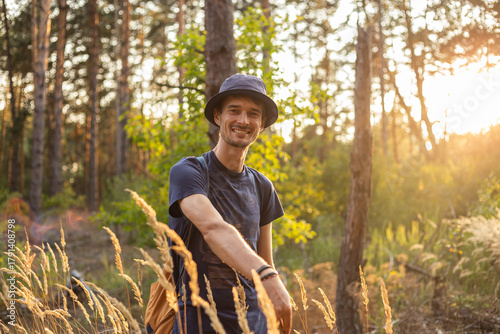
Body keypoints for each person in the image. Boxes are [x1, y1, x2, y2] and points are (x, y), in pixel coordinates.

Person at [168, 74, 292, 333]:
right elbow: (213, 228)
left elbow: (264, 258)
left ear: (262, 123)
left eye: (253, 114)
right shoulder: (190, 172)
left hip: (252, 323)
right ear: (217, 117)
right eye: (234, 111)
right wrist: (268, 276)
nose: (243, 121)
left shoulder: (262, 187)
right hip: (197, 321)